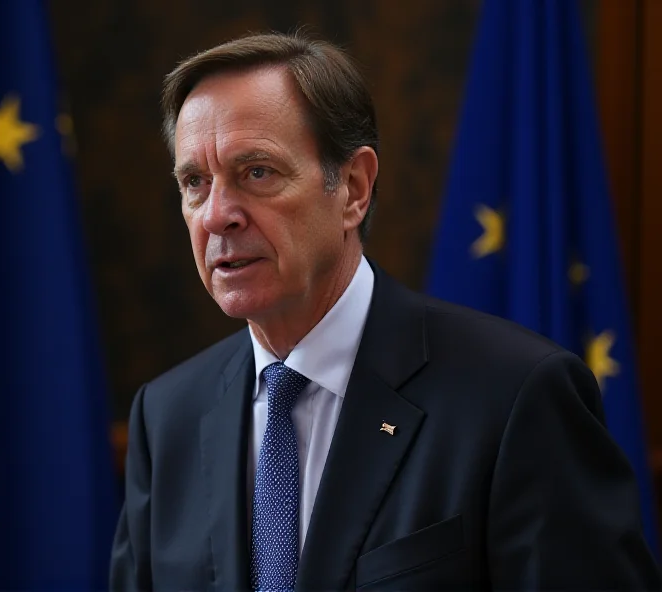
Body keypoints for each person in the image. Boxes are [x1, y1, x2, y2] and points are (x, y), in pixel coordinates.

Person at [109, 32, 662, 591]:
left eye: (257, 172)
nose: (218, 215)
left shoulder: (517, 396)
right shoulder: (167, 417)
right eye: (195, 183)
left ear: (353, 188)